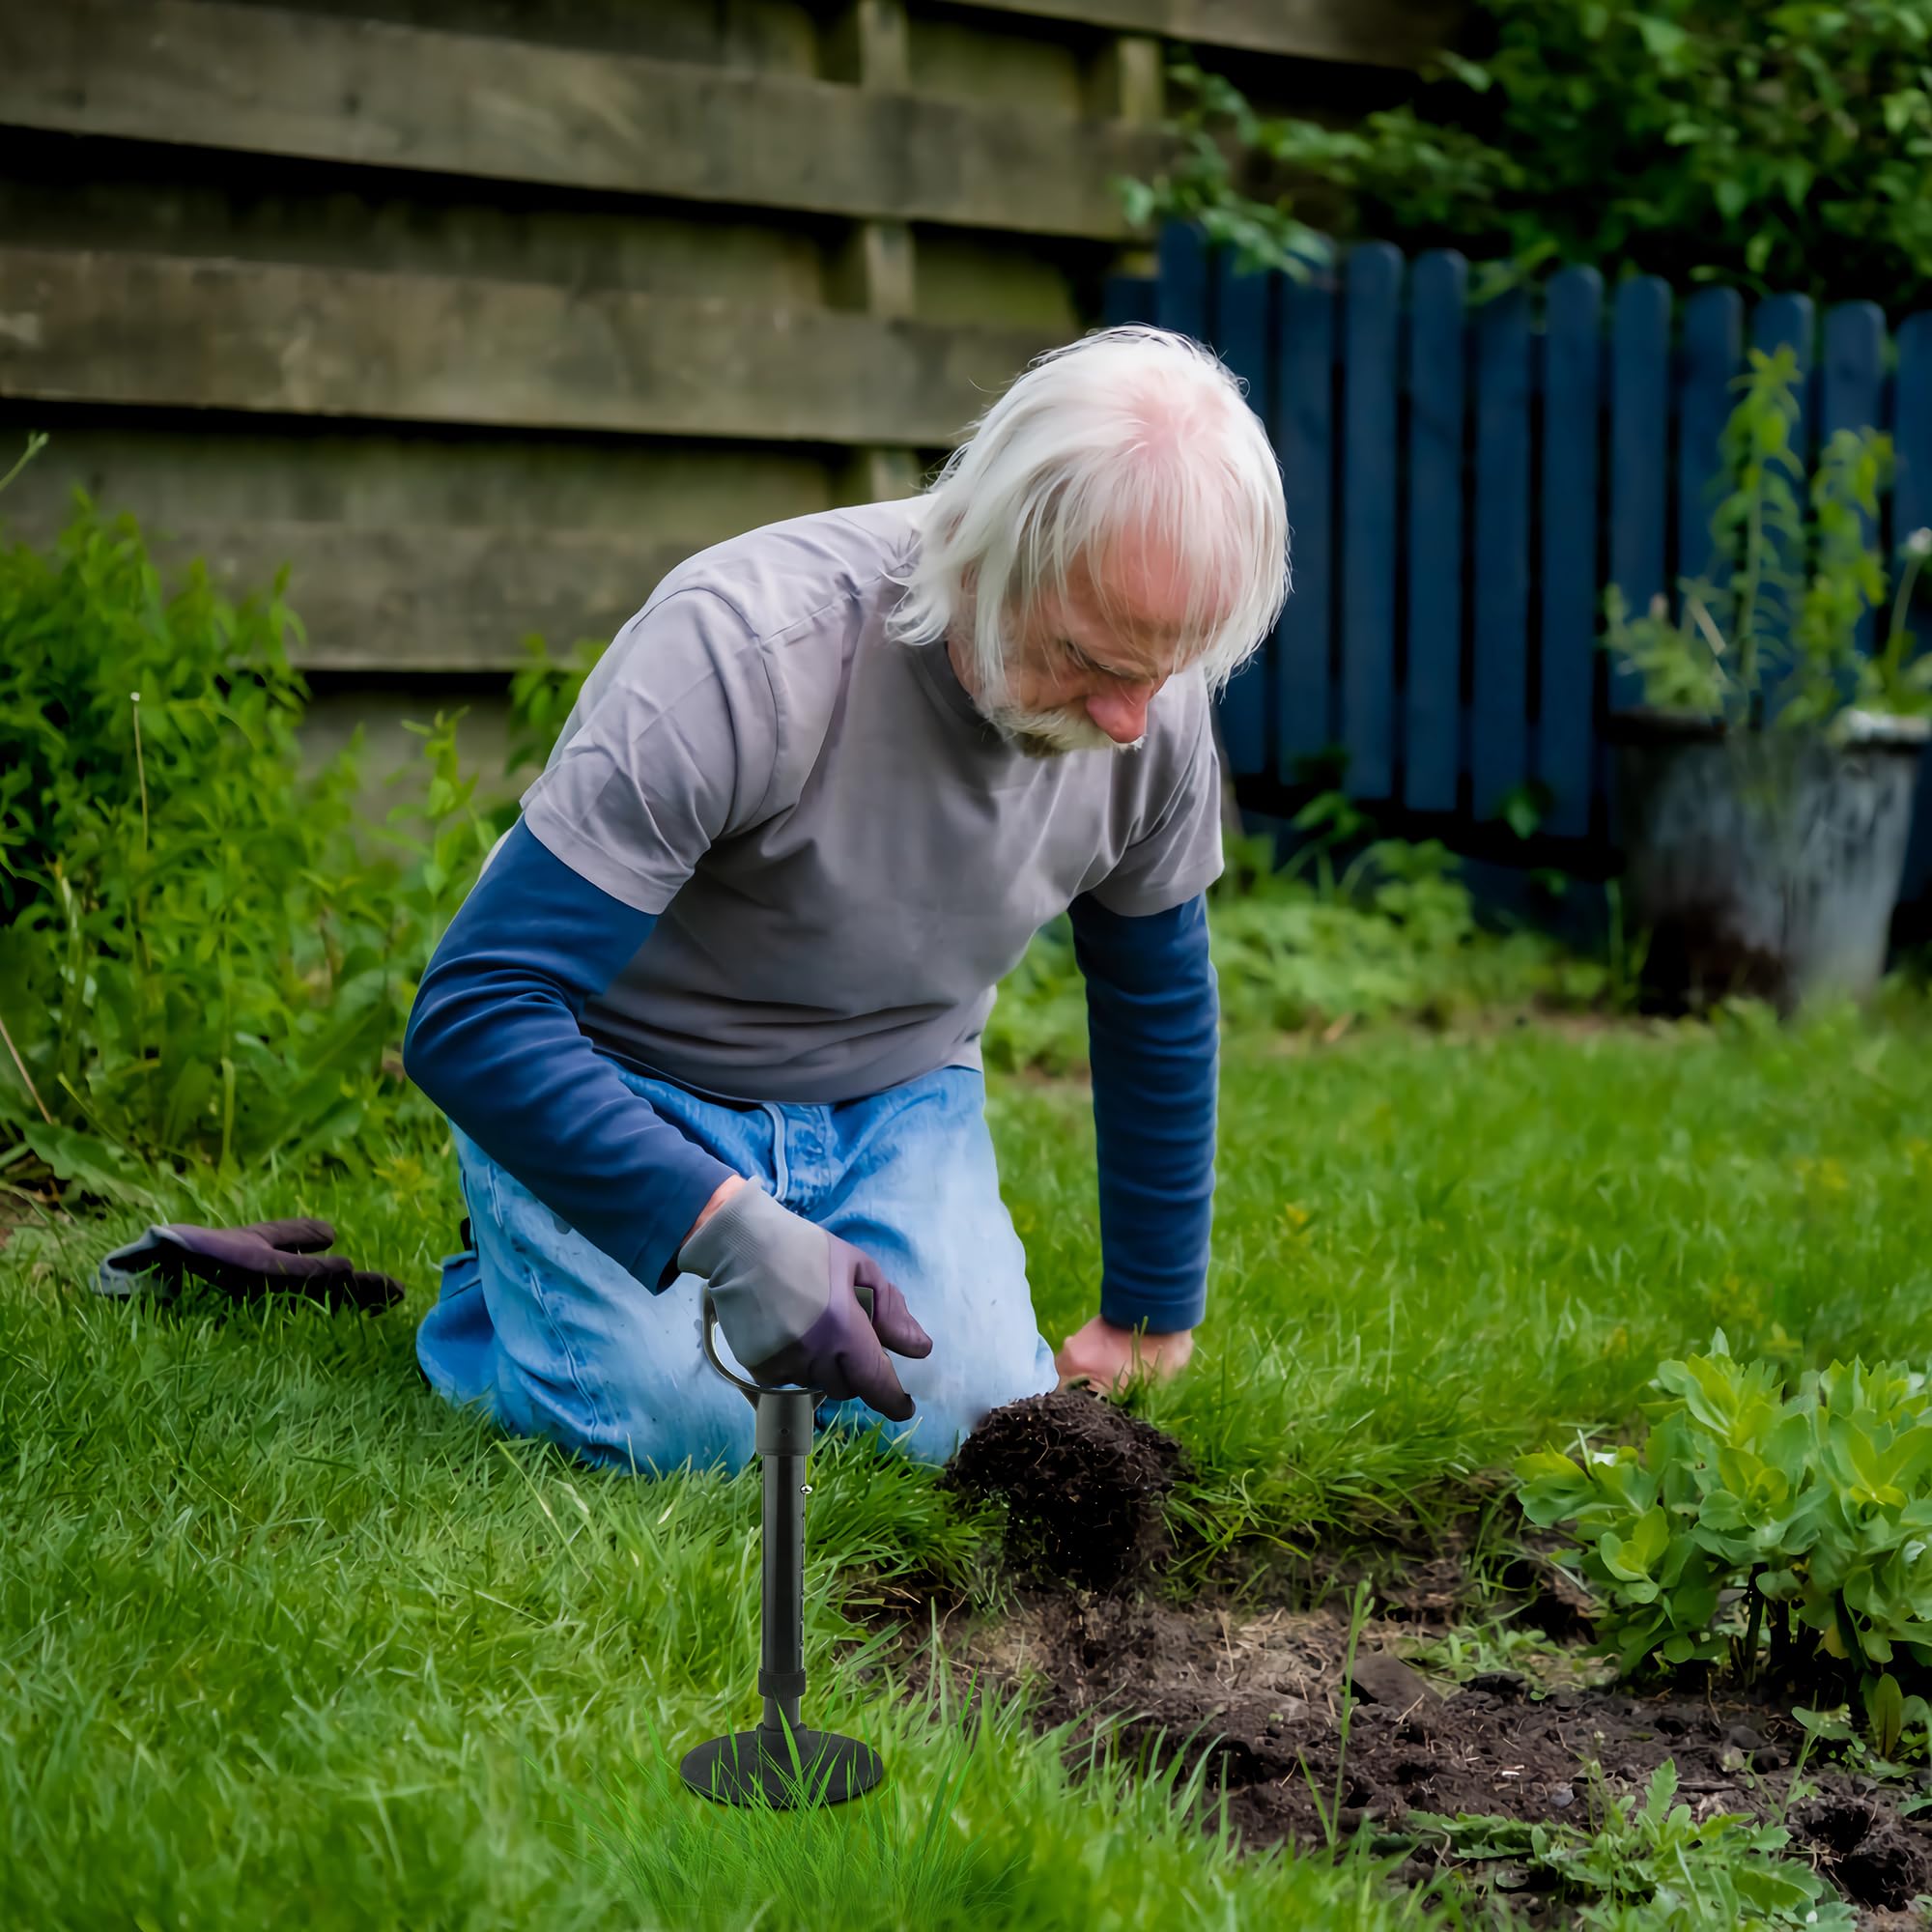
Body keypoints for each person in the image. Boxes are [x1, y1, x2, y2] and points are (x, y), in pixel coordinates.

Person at [402, 323, 1290, 1477]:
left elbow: (1154, 992)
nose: (1131, 721)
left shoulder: (1147, 703)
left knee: (975, 1427)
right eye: (1093, 659)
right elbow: (474, 1010)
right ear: (987, 547)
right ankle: (504, 1282)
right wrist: (717, 1224)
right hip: (628, 1077)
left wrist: (1147, 1310)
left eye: (1162, 671)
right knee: (702, 1434)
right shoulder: (745, 654)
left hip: (892, 1096)